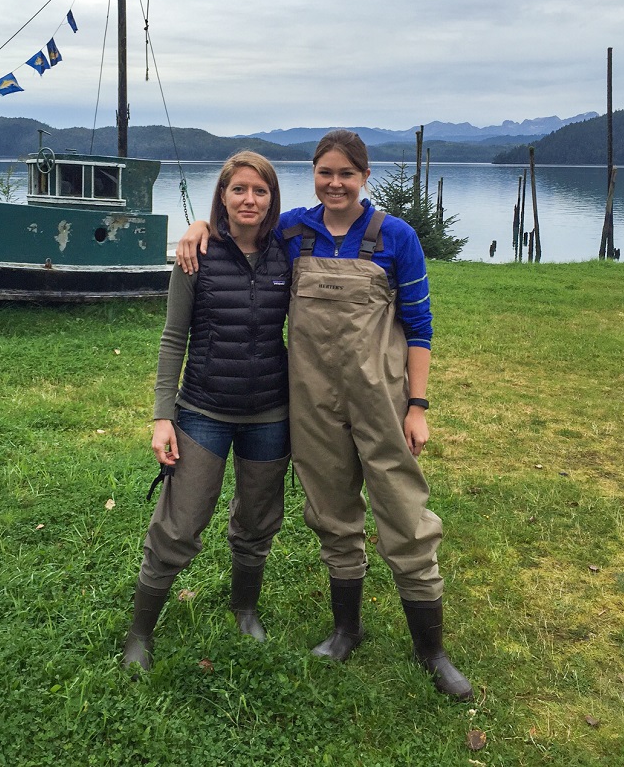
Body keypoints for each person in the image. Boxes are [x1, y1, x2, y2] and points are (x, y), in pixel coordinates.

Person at [176, 130, 473, 700]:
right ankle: (346, 630)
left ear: (363, 177)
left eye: (346, 174)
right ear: (313, 176)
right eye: (325, 173)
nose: (335, 184)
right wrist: (199, 227)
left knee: (405, 517)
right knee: (333, 514)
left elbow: (420, 328)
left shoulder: (397, 238)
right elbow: (241, 235)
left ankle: (431, 651)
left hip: (381, 403)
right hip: (311, 403)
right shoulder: (293, 232)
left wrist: (418, 406)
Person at [123, 151, 291, 673]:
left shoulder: (289, 251)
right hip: (201, 410)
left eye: (259, 191)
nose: (249, 199)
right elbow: (174, 338)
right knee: (180, 523)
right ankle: (139, 632)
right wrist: (160, 414)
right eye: (238, 189)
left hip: (270, 412)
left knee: (258, 520)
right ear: (222, 195)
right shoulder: (195, 255)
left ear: (272, 199)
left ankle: (244, 607)